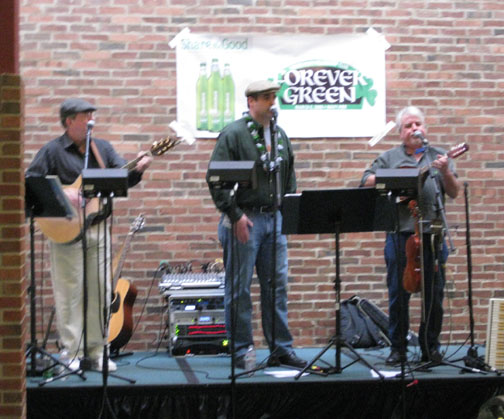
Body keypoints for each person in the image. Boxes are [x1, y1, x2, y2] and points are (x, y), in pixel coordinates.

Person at [26, 98, 152, 372]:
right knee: (70, 293)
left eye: (92, 116)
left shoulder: (103, 148)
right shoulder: (52, 151)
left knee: (101, 291)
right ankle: (70, 352)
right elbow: (33, 182)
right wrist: (64, 191)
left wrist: (138, 169)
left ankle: (97, 351)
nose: (91, 121)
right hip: (65, 232)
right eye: (85, 117)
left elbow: (121, 178)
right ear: (69, 121)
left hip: (98, 230)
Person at [206, 80, 306, 369]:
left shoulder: (281, 135)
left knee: (277, 286)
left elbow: (289, 177)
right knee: (239, 289)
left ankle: (281, 349)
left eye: (273, 97)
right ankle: (242, 351)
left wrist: (288, 213)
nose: (271, 102)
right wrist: (235, 215)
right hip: (244, 219)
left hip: (274, 219)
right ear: (250, 102)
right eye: (265, 97)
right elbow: (216, 180)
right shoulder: (234, 134)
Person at [360, 106, 460, 365]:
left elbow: (454, 192)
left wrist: (446, 171)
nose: (415, 128)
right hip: (399, 235)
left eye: (418, 124)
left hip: (433, 234)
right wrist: (394, 180)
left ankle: (430, 348)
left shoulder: (439, 156)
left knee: (434, 295)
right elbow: (366, 181)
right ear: (400, 132)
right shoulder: (388, 157)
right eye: (408, 125)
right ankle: (398, 349)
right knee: (398, 293)